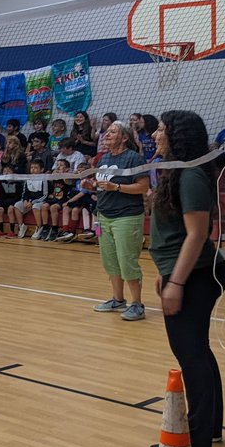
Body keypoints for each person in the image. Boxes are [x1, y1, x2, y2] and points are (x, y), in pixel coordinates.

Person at [150, 110, 225, 447]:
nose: (155, 135)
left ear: (177, 136)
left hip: (196, 274)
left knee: (191, 355)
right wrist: (165, 271)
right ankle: (208, 429)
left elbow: (198, 234)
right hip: (184, 270)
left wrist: (176, 281)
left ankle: (197, 442)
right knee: (198, 352)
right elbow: (176, 233)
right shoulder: (178, 170)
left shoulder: (191, 175)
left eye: (162, 130)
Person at [84, 121, 150, 321]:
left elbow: (143, 187)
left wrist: (117, 188)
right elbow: (103, 186)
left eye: (113, 132)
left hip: (127, 217)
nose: (107, 135)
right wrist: (92, 186)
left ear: (125, 137)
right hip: (103, 216)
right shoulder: (103, 158)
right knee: (110, 261)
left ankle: (137, 304)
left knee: (127, 261)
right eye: (107, 132)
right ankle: (118, 299)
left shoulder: (134, 158)